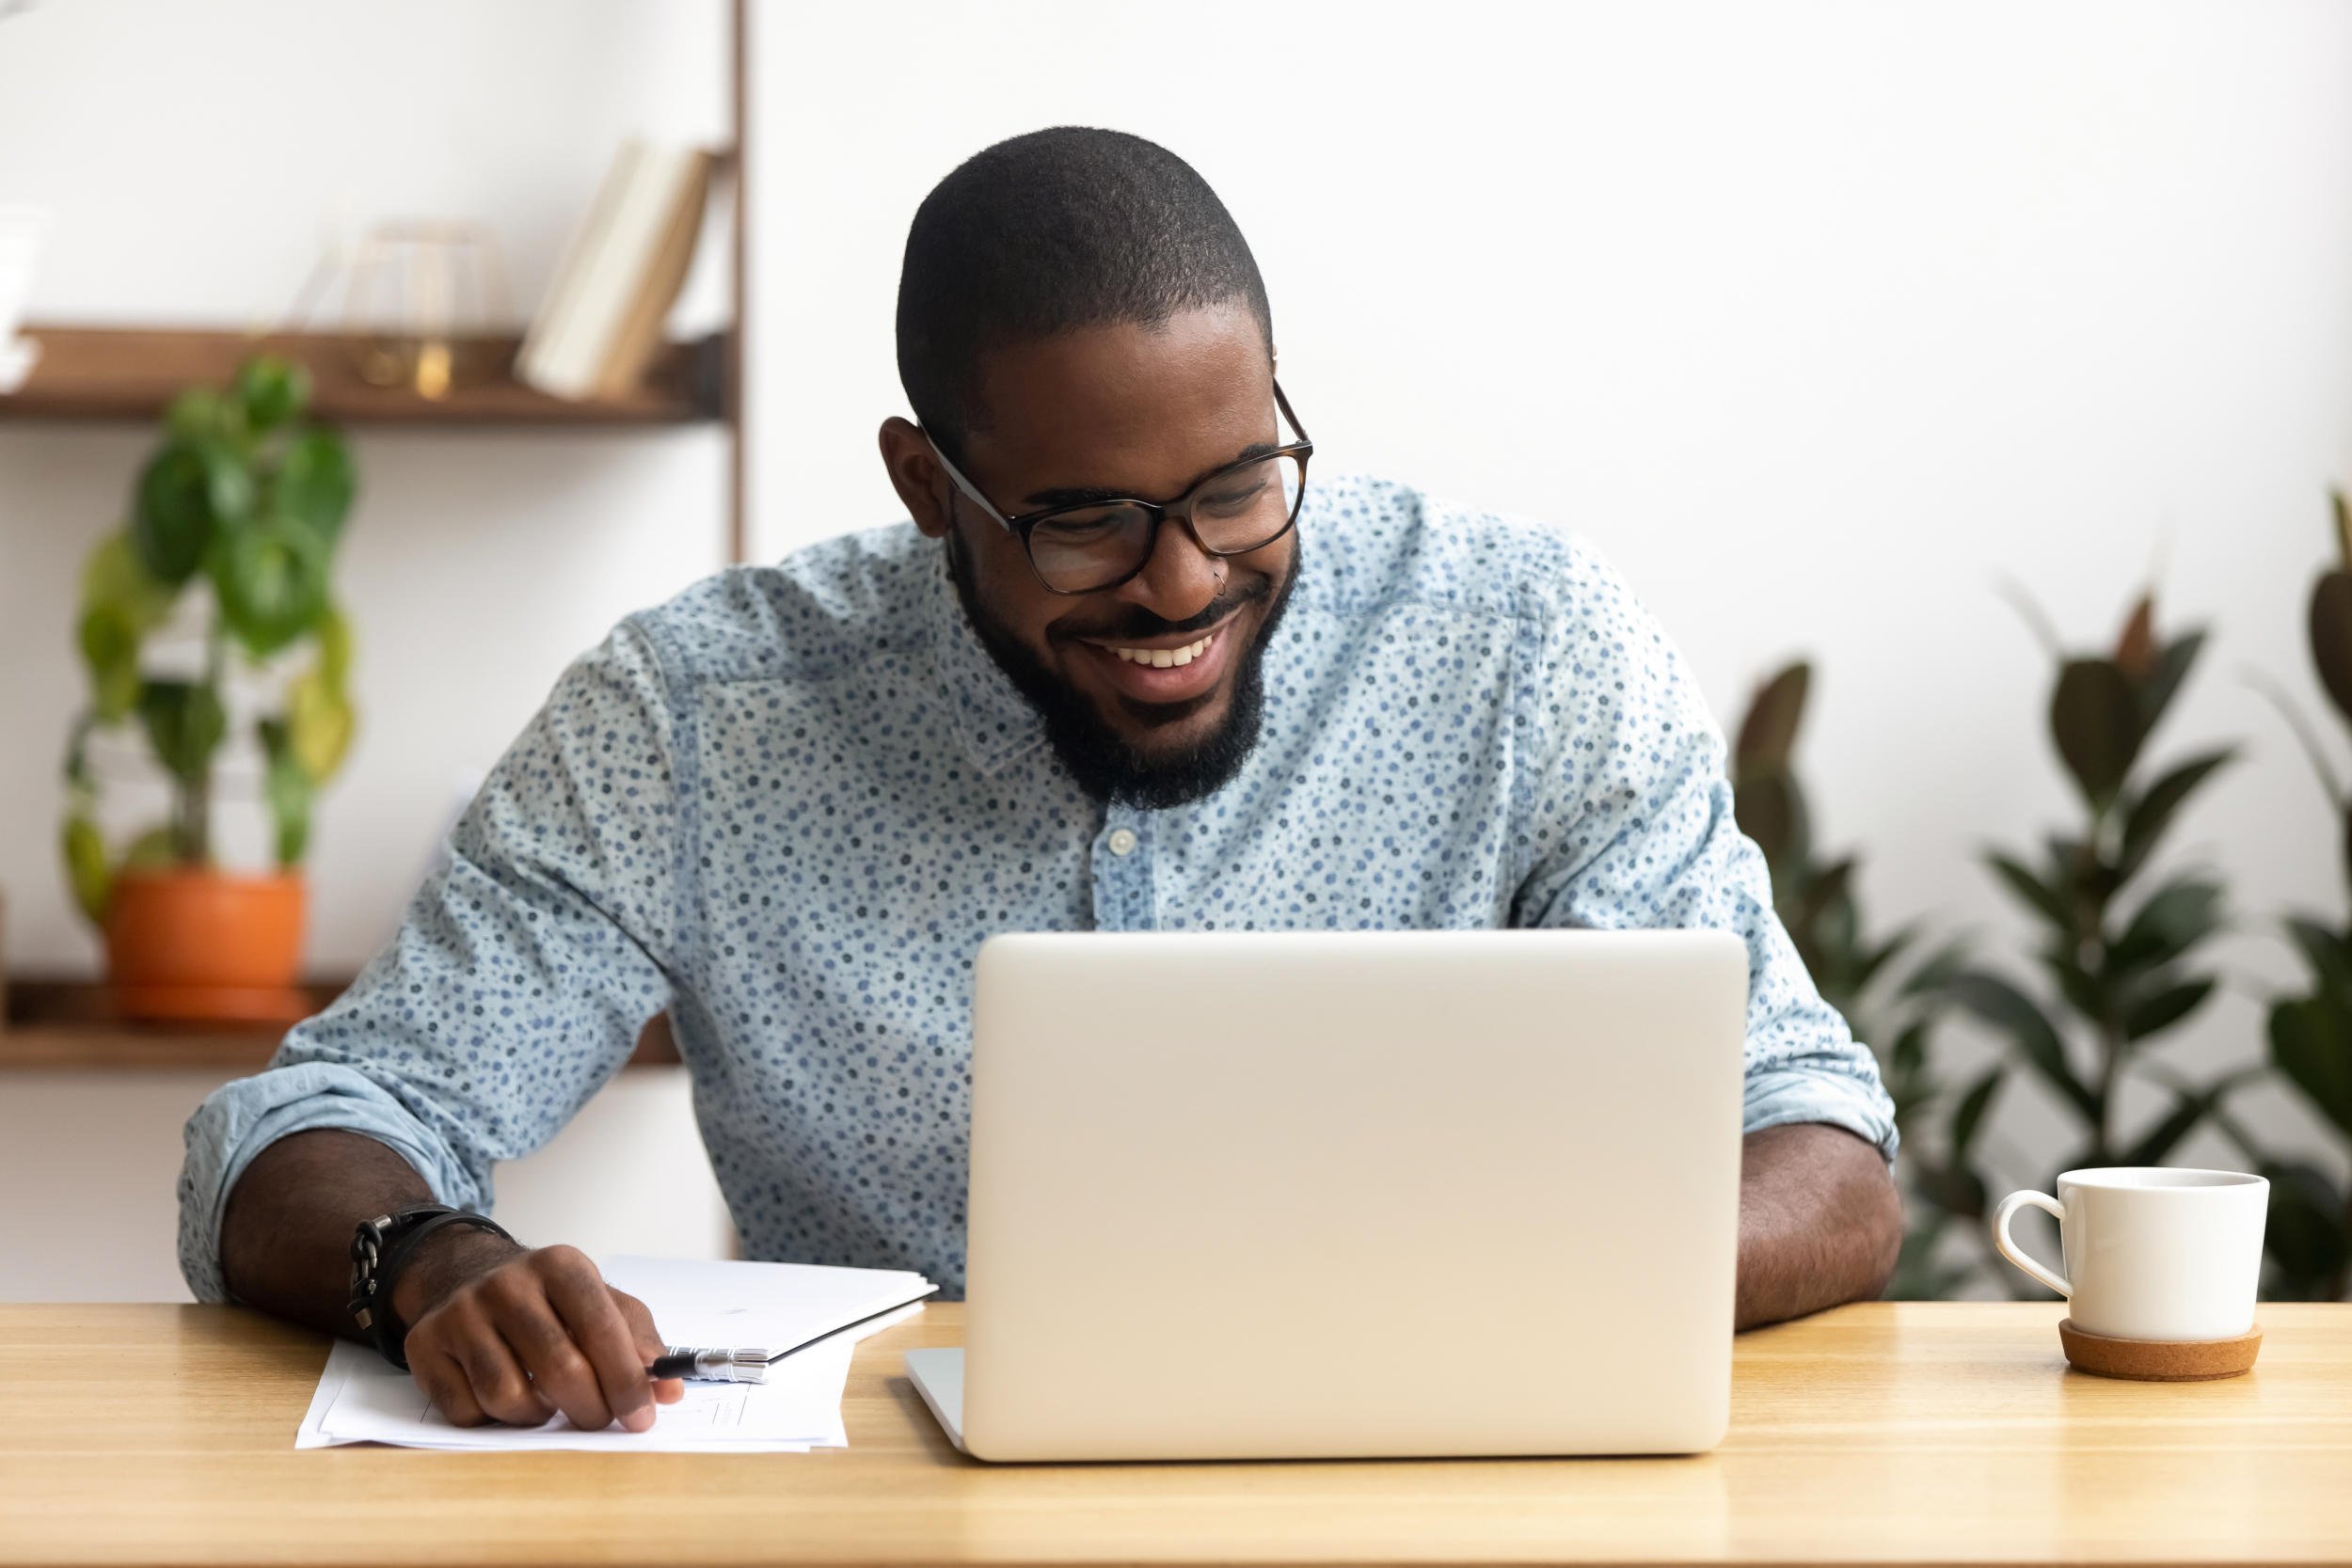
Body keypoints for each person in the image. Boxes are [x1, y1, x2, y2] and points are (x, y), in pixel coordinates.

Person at [179, 127, 1902, 1435]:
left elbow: (1818, 1144)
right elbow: (306, 1128)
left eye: (1240, 486)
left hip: (1434, 1487)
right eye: (1083, 521)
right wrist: (425, 1264)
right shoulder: (697, 716)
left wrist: (1514, 1295)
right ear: (931, 486)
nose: (1181, 582)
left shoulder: (1522, 644)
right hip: (889, 1521)